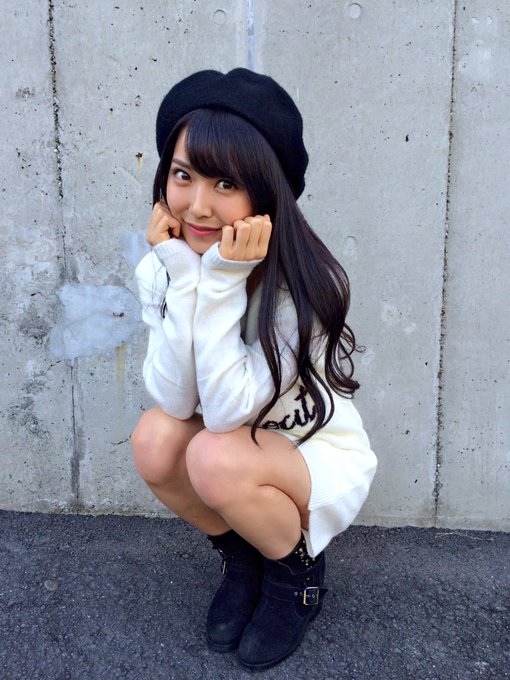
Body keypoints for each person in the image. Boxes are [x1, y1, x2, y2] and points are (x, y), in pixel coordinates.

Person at [131, 68, 377, 670]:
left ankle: (296, 577)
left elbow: (224, 414)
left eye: (226, 182)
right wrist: (185, 277)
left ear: (265, 194)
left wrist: (222, 283)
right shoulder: (166, 266)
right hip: (236, 446)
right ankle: (243, 558)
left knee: (213, 455)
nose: (198, 205)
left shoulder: (302, 285)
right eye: (183, 175)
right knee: (156, 439)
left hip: (310, 452)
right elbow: (176, 400)